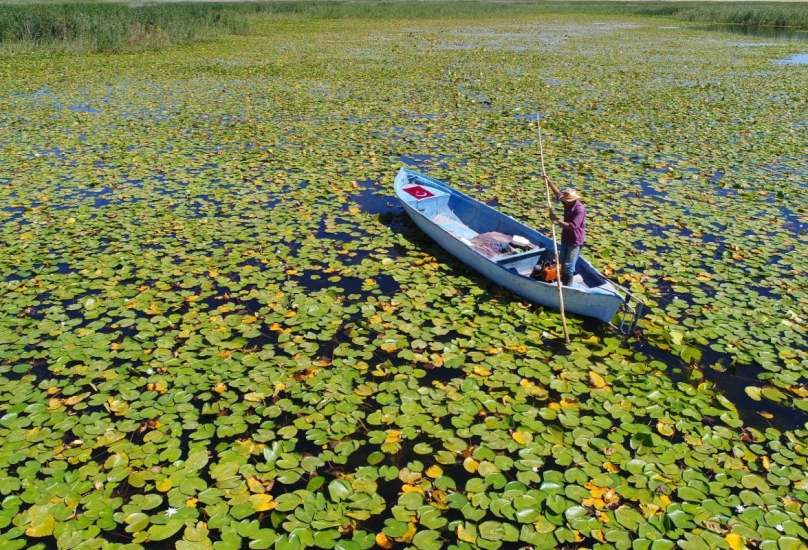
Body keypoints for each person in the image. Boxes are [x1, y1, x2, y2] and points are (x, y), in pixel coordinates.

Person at [544, 175, 585, 286]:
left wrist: (556, 219)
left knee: (568, 266)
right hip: (565, 238)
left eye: (567, 201)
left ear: (573, 200)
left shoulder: (579, 209)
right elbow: (558, 193)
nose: (564, 202)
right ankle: (562, 282)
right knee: (562, 263)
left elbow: (573, 226)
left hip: (574, 240)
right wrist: (549, 181)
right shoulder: (567, 202)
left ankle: (568, 286)